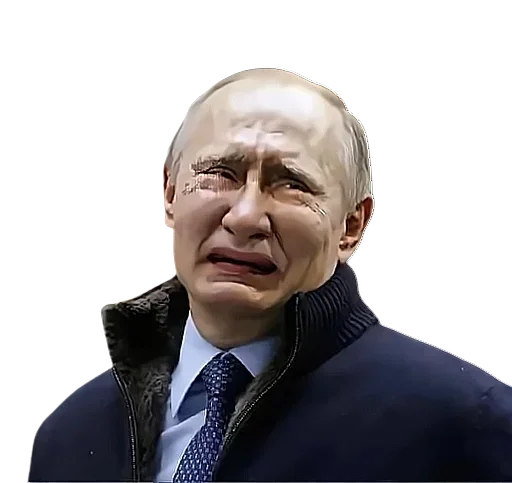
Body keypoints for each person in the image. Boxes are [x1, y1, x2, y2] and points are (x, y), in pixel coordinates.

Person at [28, 67, 512, 482]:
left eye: (291, 183)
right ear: (169, 195)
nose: (245, 217)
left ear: (351, 227)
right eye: (220, 173)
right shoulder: (74, 435)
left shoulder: (459, 425)